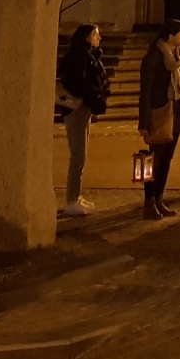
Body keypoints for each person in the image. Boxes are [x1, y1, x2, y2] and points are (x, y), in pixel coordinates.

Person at [137, 19, 180, 220]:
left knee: (167, 159)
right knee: (156, 159)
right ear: (170, 36)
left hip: (176, 111)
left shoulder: (177, 56)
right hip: (160, 112)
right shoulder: (153, 58)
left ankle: (160, 198)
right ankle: (149, 201)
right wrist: (144, 123)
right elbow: (146, 92)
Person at [58, 24, 108, 217]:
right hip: (77, 108)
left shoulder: (89, 56)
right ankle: (71, 200)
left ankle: (75, 196)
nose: (99, 38)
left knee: (81, 156)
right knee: (78, 156)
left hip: (84, 108)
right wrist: (93, 96)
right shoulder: (79, 57)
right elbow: (78, 83)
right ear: (87, 37)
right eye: (96, 34)